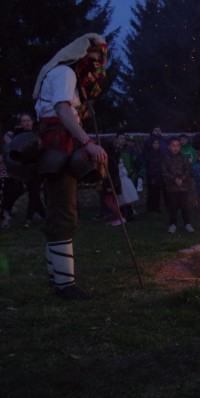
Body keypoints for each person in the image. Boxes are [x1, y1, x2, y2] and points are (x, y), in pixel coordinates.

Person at [31, 33, 108, 299]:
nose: (98, 64)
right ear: (83, 56)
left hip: (54, 145)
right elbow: (63, 111)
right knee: (64, 212)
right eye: (95, 58)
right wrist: (88, 142)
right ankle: (65, 286)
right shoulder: (65, 73)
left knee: (57, 210)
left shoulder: (60, 74)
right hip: (59, 146)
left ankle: (56, 278)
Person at [163, 137, 194, 234]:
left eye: (177, 145)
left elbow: (187, 169)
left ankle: (187, 224)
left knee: (185, 207)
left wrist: (182, 178)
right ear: (169, 147)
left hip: (183, 187)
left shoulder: (183, 157)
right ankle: (172, 225)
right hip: (171, 187)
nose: (175, 147)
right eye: (173, 145)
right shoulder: (166, 158)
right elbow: (164, 171)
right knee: (172, 207)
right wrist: (174, 179)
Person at [144, 138, 166, 213]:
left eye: (157, 143)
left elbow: (163, 163)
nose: (156, 145)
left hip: (159, 175)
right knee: (151, 192)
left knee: (158, 193)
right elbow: (147, 165)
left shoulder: (161, 153)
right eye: (154, 143)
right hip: (151, 175)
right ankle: (150, 208)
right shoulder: (148, 153)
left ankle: (157, 207)